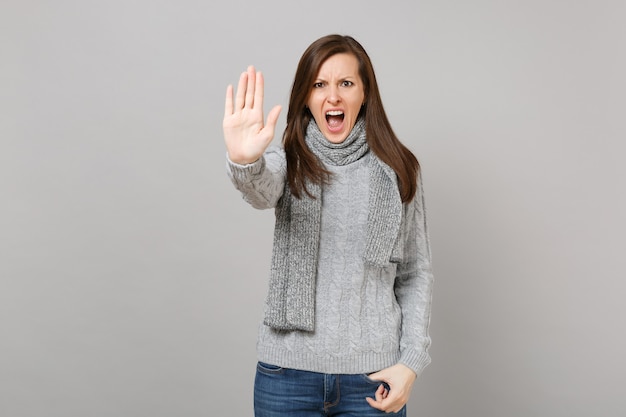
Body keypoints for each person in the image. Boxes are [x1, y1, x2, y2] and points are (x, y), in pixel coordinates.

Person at [223, 34, 433, 416]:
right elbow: (259, 191)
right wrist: (243, 161)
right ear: (306, 96)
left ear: (365, 93)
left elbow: (415, 273)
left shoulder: (399, 170)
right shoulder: (287, 161)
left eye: (345, 84)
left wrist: (410, 362)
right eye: (319, 85)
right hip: (287, 376)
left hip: (373, 378)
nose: (332, 96)